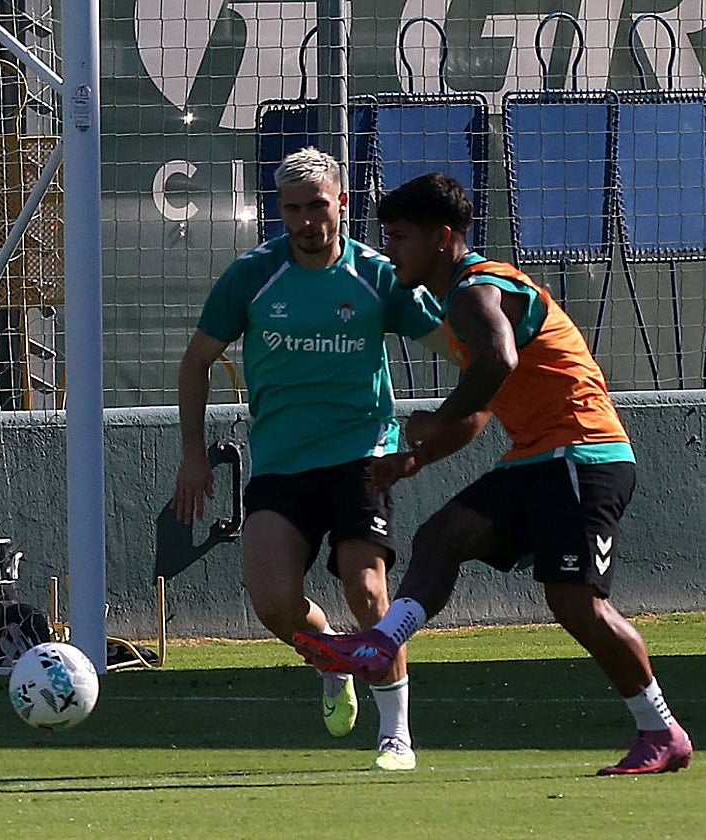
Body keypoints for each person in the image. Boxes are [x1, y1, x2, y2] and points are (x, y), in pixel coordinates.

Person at [292, 172, 694, 776]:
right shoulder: (458, 301)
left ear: (442, 238)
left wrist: (437, 418)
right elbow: (486, 401)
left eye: (400, 237)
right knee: (441, 536)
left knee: (575, 603)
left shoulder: (476, 289)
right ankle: (381, 642)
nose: (390, 248)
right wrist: (416, 458)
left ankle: (662, 731)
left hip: (582, 456)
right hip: (539, 457)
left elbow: (497, 363)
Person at [172, 148, 454, 771]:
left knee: (367, 590)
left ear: (342, 204)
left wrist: (502, 376)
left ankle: (396, 732)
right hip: (280, 463)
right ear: (280, 211)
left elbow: (459, 346)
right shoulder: (252, 276)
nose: (306, 220)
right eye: (293, 209)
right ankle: (332, 659)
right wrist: (194, 457)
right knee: (273, 604)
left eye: (318, 206)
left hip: (362, 456)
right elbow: (195, 362)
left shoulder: (377, 276)